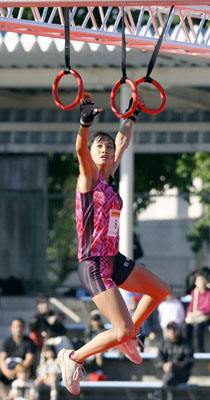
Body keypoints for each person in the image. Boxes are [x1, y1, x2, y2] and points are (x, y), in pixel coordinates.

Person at [57, 93, 170, 395]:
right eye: (100, 146)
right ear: (92, 154)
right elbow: (80, 149)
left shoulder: (109, 178)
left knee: (161, 291)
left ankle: (129, 337)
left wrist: (132, 114)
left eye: (107, 146)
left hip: (113, 258)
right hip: (93, 264)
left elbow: (122, 141)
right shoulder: (88, 179)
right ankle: (73, 357)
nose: (106, 150)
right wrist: (84, 123)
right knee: (120, 330)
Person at [155, 321, 194, 400]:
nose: (172, 331)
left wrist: (180, 364)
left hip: (182, 373)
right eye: (169, 329)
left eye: (174, 329)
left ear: (179, 330)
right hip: (166, 373)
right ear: (166, 331)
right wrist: (164, 365)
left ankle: (159, 395)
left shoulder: (185, 343)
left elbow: (190, 360)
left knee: (169, 376)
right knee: (169, 377)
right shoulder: (163, 343)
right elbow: (158, 360)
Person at [0, 318, 36, 400]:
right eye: (15, 327)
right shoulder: (7, 342)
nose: (18, 329)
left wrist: (17, 371)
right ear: (11, 328)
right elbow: (2, 358)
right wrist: (6, 371)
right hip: (8, 371)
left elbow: (29, 359)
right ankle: (6, 397)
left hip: (23, 372)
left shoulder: (29, 342)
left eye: (20, 326)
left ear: (24, 328)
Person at [185, 272, 210, 352]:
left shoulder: (209, 292)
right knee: (186, 327)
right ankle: (187, 348)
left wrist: (199, 312)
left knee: (197, 327)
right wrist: (189, 313)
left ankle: (199, 349)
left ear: (206, 281)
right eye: (198, 280)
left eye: (202, 280)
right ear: (195, 282)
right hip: (195, 316)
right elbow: (191, 305)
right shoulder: (194, 292)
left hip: (206, 317)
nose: (201, 282)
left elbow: (208, 307)